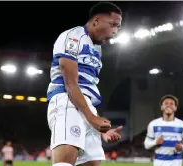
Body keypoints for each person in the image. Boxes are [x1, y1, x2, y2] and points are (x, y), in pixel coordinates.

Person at [46, 2, 123, 166]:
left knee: (92, 163)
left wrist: (97, 125)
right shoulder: (73, 37)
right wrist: (92, 118)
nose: (115, 32)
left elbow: (88, 88)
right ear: (96, 21)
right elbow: (71, 84)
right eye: (113, 25)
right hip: (67, 101)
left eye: (118, 27)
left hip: (85, 106)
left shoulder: (97, 49)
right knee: (64, 163)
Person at [144, 95, 183, 166]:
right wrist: (155, 142)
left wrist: (182, 147)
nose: (169, 105)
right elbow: (146, 145)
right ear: (161, 107)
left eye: (171, 104)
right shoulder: (153, 124)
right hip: (159, 163)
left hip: (176, 163)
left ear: (175, 108)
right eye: (166, 103)